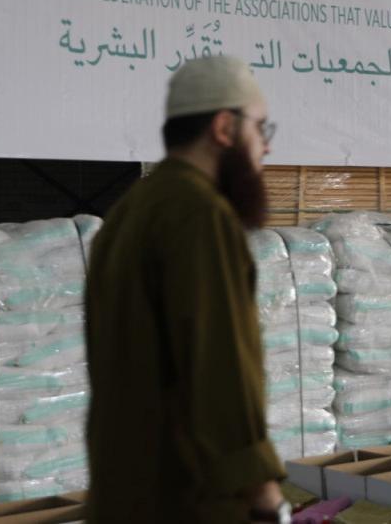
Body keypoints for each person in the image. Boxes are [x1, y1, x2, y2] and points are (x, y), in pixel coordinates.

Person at [85, 56, 290, 523]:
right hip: (187, 498)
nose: (266, 146)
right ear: (224, 128)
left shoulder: (129, 211)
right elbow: (219, 364)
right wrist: (264, 494)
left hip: (124, 494)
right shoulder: (200, 215)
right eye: (260, 128)